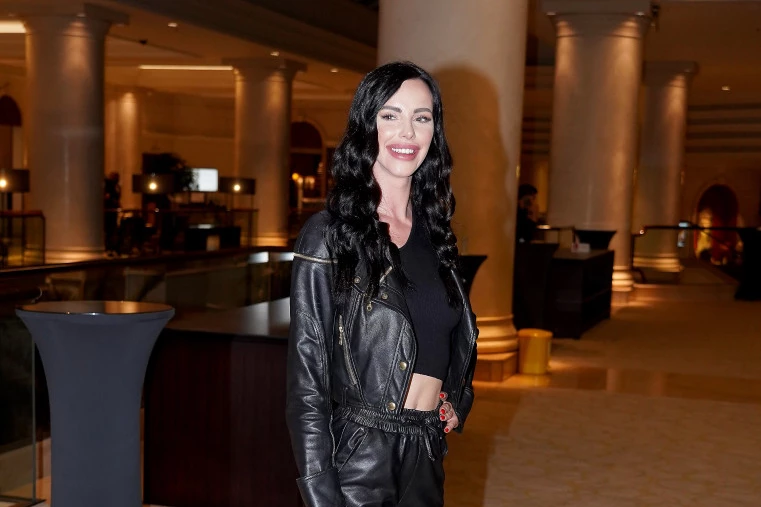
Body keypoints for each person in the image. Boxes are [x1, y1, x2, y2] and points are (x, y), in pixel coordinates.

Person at [286, 61, 478, 507]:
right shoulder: (329, 234)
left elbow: (446, 334)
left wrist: (456, 398)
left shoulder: (436, 234)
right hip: (360, 456)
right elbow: (306, 381)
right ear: (365, 126)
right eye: (390, 115)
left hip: (427, 448)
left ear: (434, 131)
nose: (407, 132)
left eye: (421, 117)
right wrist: (318, 489)